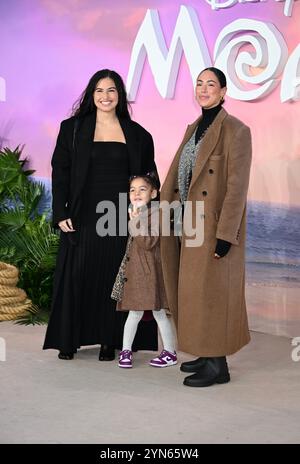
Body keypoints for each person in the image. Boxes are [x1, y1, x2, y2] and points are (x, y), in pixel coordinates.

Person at [43, 69, 159, 360]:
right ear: (91, 95)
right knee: (77, 275)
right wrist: (60, 212)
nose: (105, 96)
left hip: (120, 217)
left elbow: (149, 178)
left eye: (111, 91)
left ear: (119, 96)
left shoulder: (138, 134)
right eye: (99, 90)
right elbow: (60, 174)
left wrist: (144, 216)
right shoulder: (71, 129)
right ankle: (69, 341)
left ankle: (110, 341)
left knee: (114, 278)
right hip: (82, 215)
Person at [160, 67, 252, 387]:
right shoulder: (195, 128)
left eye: (211, 84)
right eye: (199, 83)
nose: (203, 88)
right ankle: (204, 352)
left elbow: (236, 188)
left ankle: (218, 366)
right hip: (187, 225)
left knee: (212, 295)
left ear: (224, 91)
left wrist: (225, 235)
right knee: (194, 295)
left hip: (212, 229)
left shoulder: (236, 130)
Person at [111, 173, 177, 369]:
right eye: (132, 190)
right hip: (136, 273)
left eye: (142, 189)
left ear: (154, 193)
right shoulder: (137, 212)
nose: (136, 193)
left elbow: (148, 242)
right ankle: (126, 351)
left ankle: (169, 352)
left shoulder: (155, 214)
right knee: (136, 313)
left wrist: (134, 222)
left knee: (157, 313)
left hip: (148, 274)